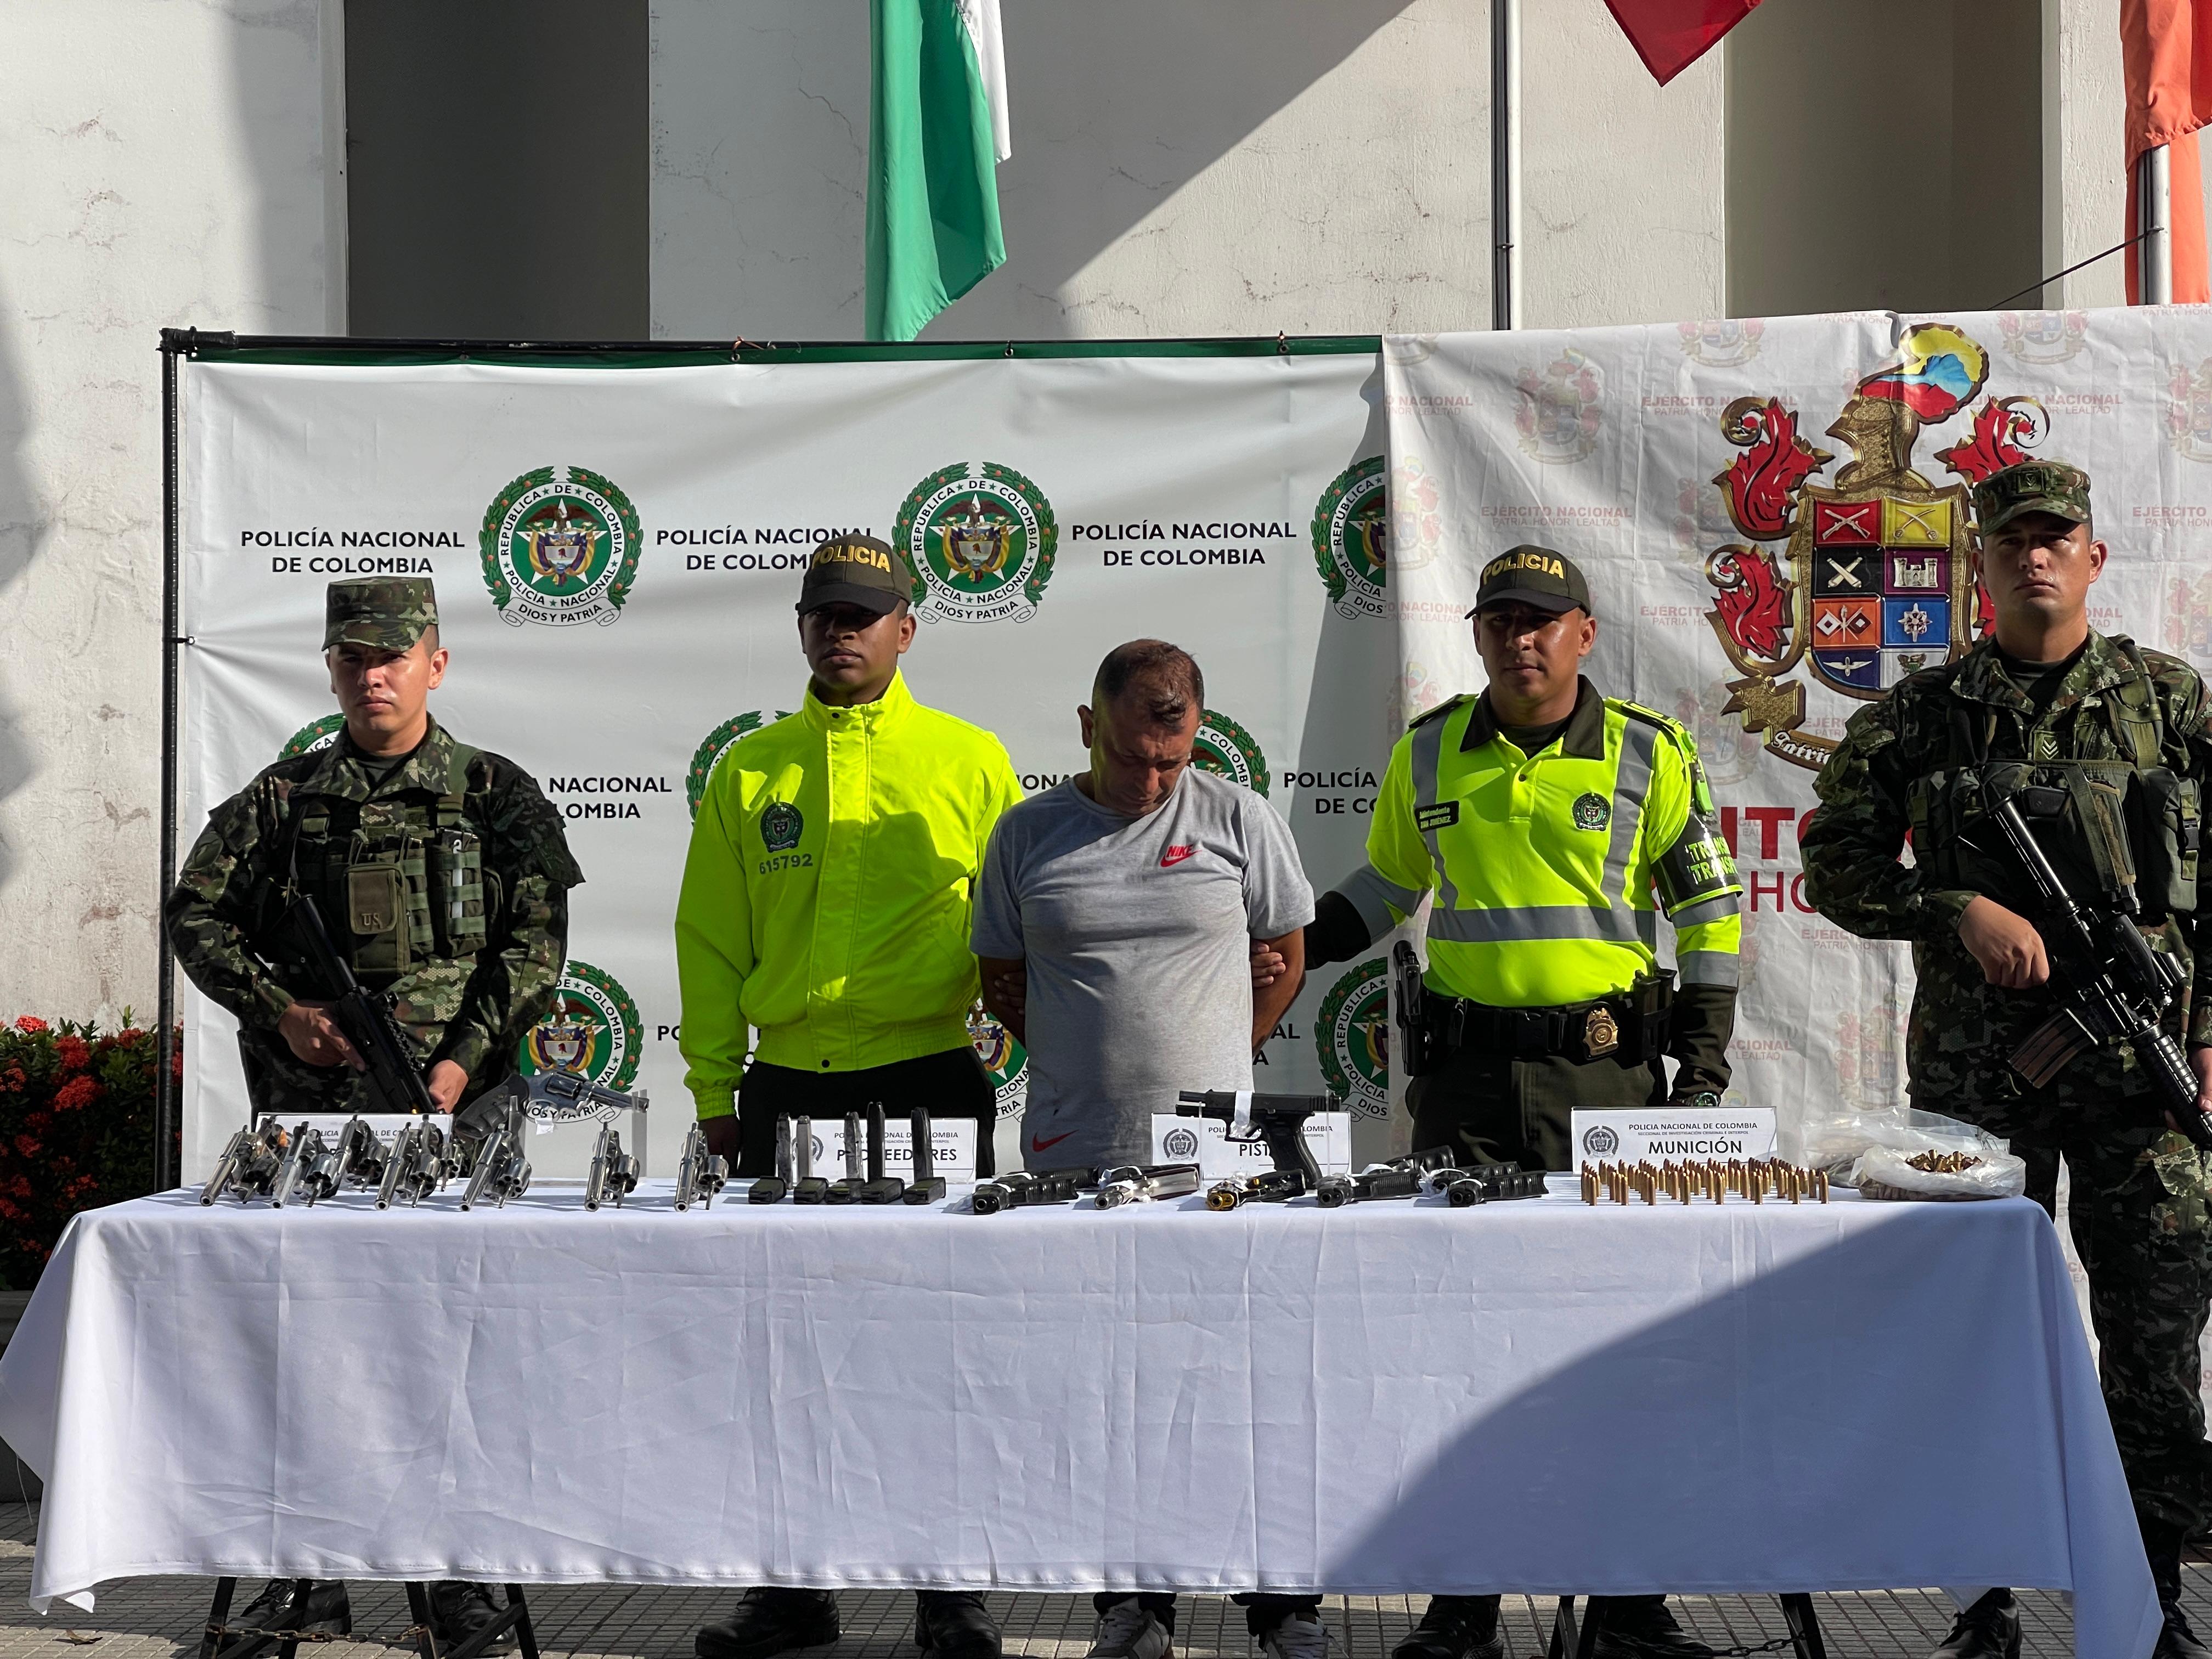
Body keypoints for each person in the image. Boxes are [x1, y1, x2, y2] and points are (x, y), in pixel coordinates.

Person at [1296, 546, 1742, 1659]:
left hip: (1606, 1085)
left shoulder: (1651, 752)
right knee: (1460, 1346)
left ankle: (1628, 1609)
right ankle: (1463, 1609)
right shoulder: (1431, 747)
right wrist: (1290, 948)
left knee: (1622, 1347)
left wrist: (1705, 1059)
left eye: (1543, 621)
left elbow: (1711, 904)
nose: (1521, 640)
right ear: (1479, 634)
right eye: (1500, 621)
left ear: (1585, 633)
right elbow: (1391, 884)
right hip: (1466, 1092)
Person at [1802, 460, 2212, 1659]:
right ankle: (1984, 1595)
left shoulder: (2171, 705)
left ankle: (2149, 1601)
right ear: (1978, 567)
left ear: (2094, 556)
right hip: (1986, 1087)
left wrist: (2203, 1035)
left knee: (2154, 1349)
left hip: (2148, 1089)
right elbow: (1836, 865)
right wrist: (1956, 908)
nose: (2035, 556)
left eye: (2056, 537)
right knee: (1979, 1339)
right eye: (2011, 540)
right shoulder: (1923, 716)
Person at [165, 577, 582, 1649]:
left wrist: (460, 1067)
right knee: (310, 1346)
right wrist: (283, 1015)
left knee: (455, 1346)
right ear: (333, 669)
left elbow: (535, 948)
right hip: (314, 1123)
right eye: (353, 658)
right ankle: (305, 1569)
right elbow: (195, 916)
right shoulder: (285, 799)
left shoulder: (495, 794)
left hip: (458, 1111)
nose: (374, 674)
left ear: (436, 664)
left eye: (394, 656)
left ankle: (457, 1580)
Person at [676, 533, 1020, 1659]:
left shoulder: (973, 761)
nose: (843, 629)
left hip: (928, 1081)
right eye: (825, 611)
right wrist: (717, 1090)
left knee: (937, 1346)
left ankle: (947, 1592)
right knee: (785, 1350)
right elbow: (710, 942)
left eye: (865, 614)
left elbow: (1021, 939)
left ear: (908, 629)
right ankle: (792, 1590)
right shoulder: (752, 768)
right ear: (801, 626)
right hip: (786, 1090)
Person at [972, 639, 1320, 1659]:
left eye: (1172, 762)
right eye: (1133, 759)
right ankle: (1134, 1604)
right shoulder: (1028, 833)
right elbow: (1001, 978)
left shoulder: (1237, 818)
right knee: (1109, 1393)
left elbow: (1286, 958)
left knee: (1245, 1385)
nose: (1154, 781)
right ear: (1089, 727)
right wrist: (1086, 1067)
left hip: (1219, 1168)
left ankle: (1279, 1606)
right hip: (1073, 1157)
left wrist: (1226, 1069)